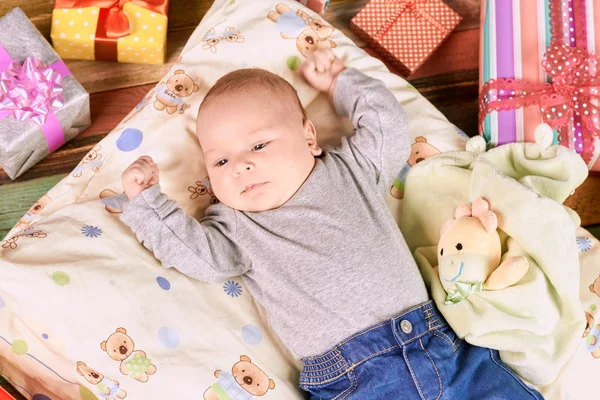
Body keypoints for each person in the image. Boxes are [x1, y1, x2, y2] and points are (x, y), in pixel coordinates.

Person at [120, 49, 543, 399]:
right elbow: (195, 255)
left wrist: (341, 82)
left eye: (259, 144)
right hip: (352, 380)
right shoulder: (234, 227)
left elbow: (387, 128)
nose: (241, 165)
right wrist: (146, 202)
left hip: (444, 347)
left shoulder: (350, 170)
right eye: (221, 160)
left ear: (309, 137)